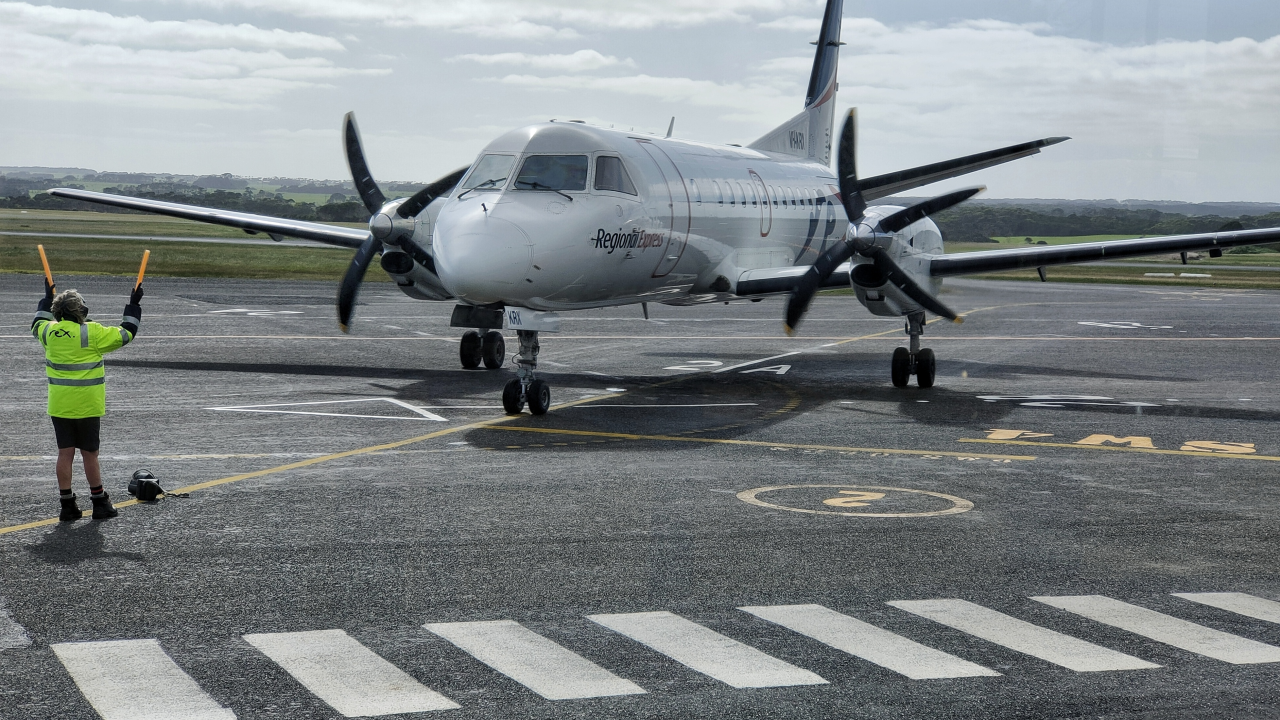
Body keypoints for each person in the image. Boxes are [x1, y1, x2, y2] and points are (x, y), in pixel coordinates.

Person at [31, 281, 142, 521]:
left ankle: (67, 505)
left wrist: (46, 298)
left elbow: (37, 323)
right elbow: (127, 333)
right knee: (89, 454)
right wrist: (133, 305)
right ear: (79, 311)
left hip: (60, 405)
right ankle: (99, 502)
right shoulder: (92, 332)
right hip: (87, 405)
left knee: (65, 453)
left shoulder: (49, 333)